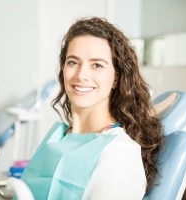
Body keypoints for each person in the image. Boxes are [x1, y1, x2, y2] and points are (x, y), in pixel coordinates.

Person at [18, 16, 163, 200]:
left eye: (97, 65)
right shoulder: (60, 135)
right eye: (73, 62)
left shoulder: (118, 152)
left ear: (116, 78)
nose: (81, 75)